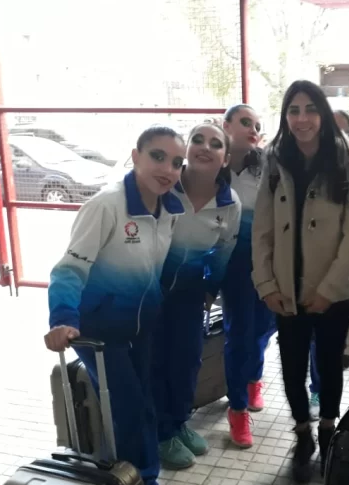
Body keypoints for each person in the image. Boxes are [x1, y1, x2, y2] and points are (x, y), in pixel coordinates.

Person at [44, 126, 186, 485]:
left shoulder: (170, 209)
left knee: (145, 404)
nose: (167, 168)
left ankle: (142, 474)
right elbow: (69, 269)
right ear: (135, 156)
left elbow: (158, 269)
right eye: (157, 156)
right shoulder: (106, 206)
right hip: (99, 331)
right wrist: (62, 318)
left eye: (176, 162)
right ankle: (143, 479)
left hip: (141, 328)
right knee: (129, 409)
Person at [252, 80, 349, 482]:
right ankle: (302, 429)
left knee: (329, 363)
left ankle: (328, 426)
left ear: (322, 113)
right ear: (285, 117)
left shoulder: (348, 156)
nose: (302, 119)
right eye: (293, 110)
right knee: (290, 365)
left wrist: (328, 289)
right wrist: (266, 284)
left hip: (332, 289)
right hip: (286, 288)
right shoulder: (275, 157)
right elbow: (262, 227)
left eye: (310, 109)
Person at [154, 123, 241, 469]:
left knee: (188, 360)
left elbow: (223, 250)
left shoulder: (229, 204)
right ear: (186, 148)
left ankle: (178, 423)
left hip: (191, 292)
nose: (206, 147)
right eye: (198, 140)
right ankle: (162, 433)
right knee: (157, 362)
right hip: (152, 289)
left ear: (225, 158)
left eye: (215, 144)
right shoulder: (164, 188)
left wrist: (209, 290)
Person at [219, 104, 277, 448]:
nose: (253, 129)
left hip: (269, 262)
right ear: (225, 125)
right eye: (244, 122)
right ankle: (237, 408)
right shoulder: (211, 167)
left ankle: (253, 375)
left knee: (264, 328)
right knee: (238, 335)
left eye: (257, 125)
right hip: (232, 266)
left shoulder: (266, 166)